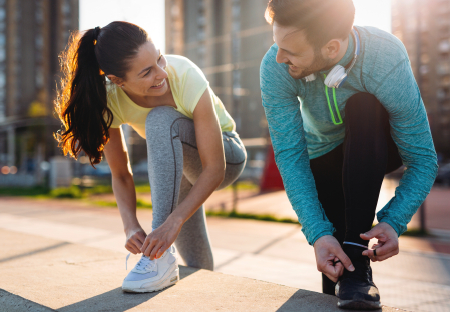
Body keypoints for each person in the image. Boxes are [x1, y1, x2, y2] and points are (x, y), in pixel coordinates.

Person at [260, 0, 437, 309]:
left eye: (290, 50)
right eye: (277, 45)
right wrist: (317, 234)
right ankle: (352, 275)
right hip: (323, 156)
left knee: (363, 105)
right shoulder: (275, 68)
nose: (278, 57)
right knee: (336, 269)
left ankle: (357, 254)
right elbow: (290, 156)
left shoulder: (385, 57)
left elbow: (423, 160)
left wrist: (394, 221)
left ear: (330, 48)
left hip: (378, 145)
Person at [54, 21, 246, 293]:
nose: (161, 74)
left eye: (159, 58)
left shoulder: (184, 75)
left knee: (160, 120)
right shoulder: (110, 100)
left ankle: (156, 260)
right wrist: (130, 226)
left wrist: (172, 222)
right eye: (147, 72)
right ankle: (197, 292)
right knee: (195, 261)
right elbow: (120, 173)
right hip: (179, 166)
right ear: (117, 81)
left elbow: (215, 168)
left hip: (227, 156)